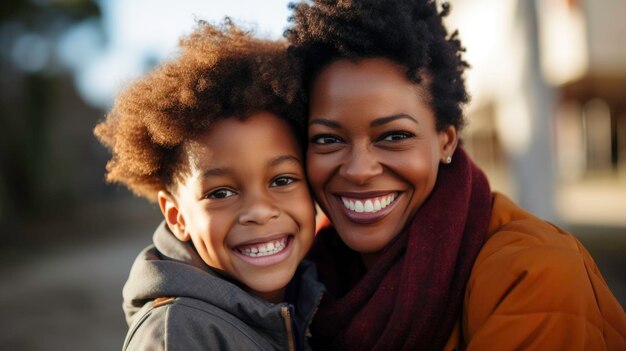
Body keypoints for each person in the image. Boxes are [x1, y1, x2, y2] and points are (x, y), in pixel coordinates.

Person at [285, 0, 626, 350]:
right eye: (327, 139)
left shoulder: (535, 272)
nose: (358, 170)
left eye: (394, 137)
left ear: (446, 140)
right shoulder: (299, 271)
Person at [94, 19, 324, 350]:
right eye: (221, 193)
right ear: (177, 217)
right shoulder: (178, 335)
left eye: (282, 180)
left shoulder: (313, 297)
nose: (259, 211)